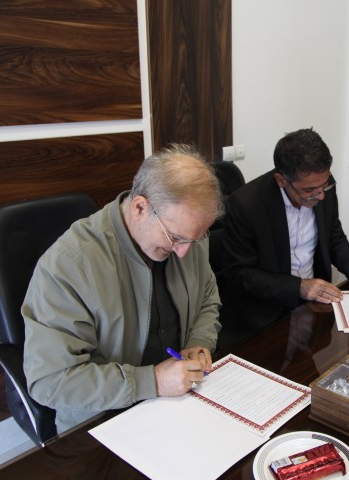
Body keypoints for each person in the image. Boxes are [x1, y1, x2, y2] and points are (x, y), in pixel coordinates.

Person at [22, 145, 223, 433]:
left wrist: (198, 340)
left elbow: (207, 297)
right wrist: (152, 382)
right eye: (175, 238)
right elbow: (50, 381)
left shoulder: (187, 234)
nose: (184, 252)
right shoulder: (69, 264)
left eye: (197, 238)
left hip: (179, 400)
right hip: (103, 420)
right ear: (140, 208)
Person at [219, 128, 349, 334]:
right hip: (265, 315)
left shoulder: (322, 185)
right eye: (309, 190)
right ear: (281, 180)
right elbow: (238, 274)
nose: (320, 196)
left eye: (323, 186)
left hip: (314, 307)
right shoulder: (246, 205)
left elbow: (333, 237)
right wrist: (298, 287)